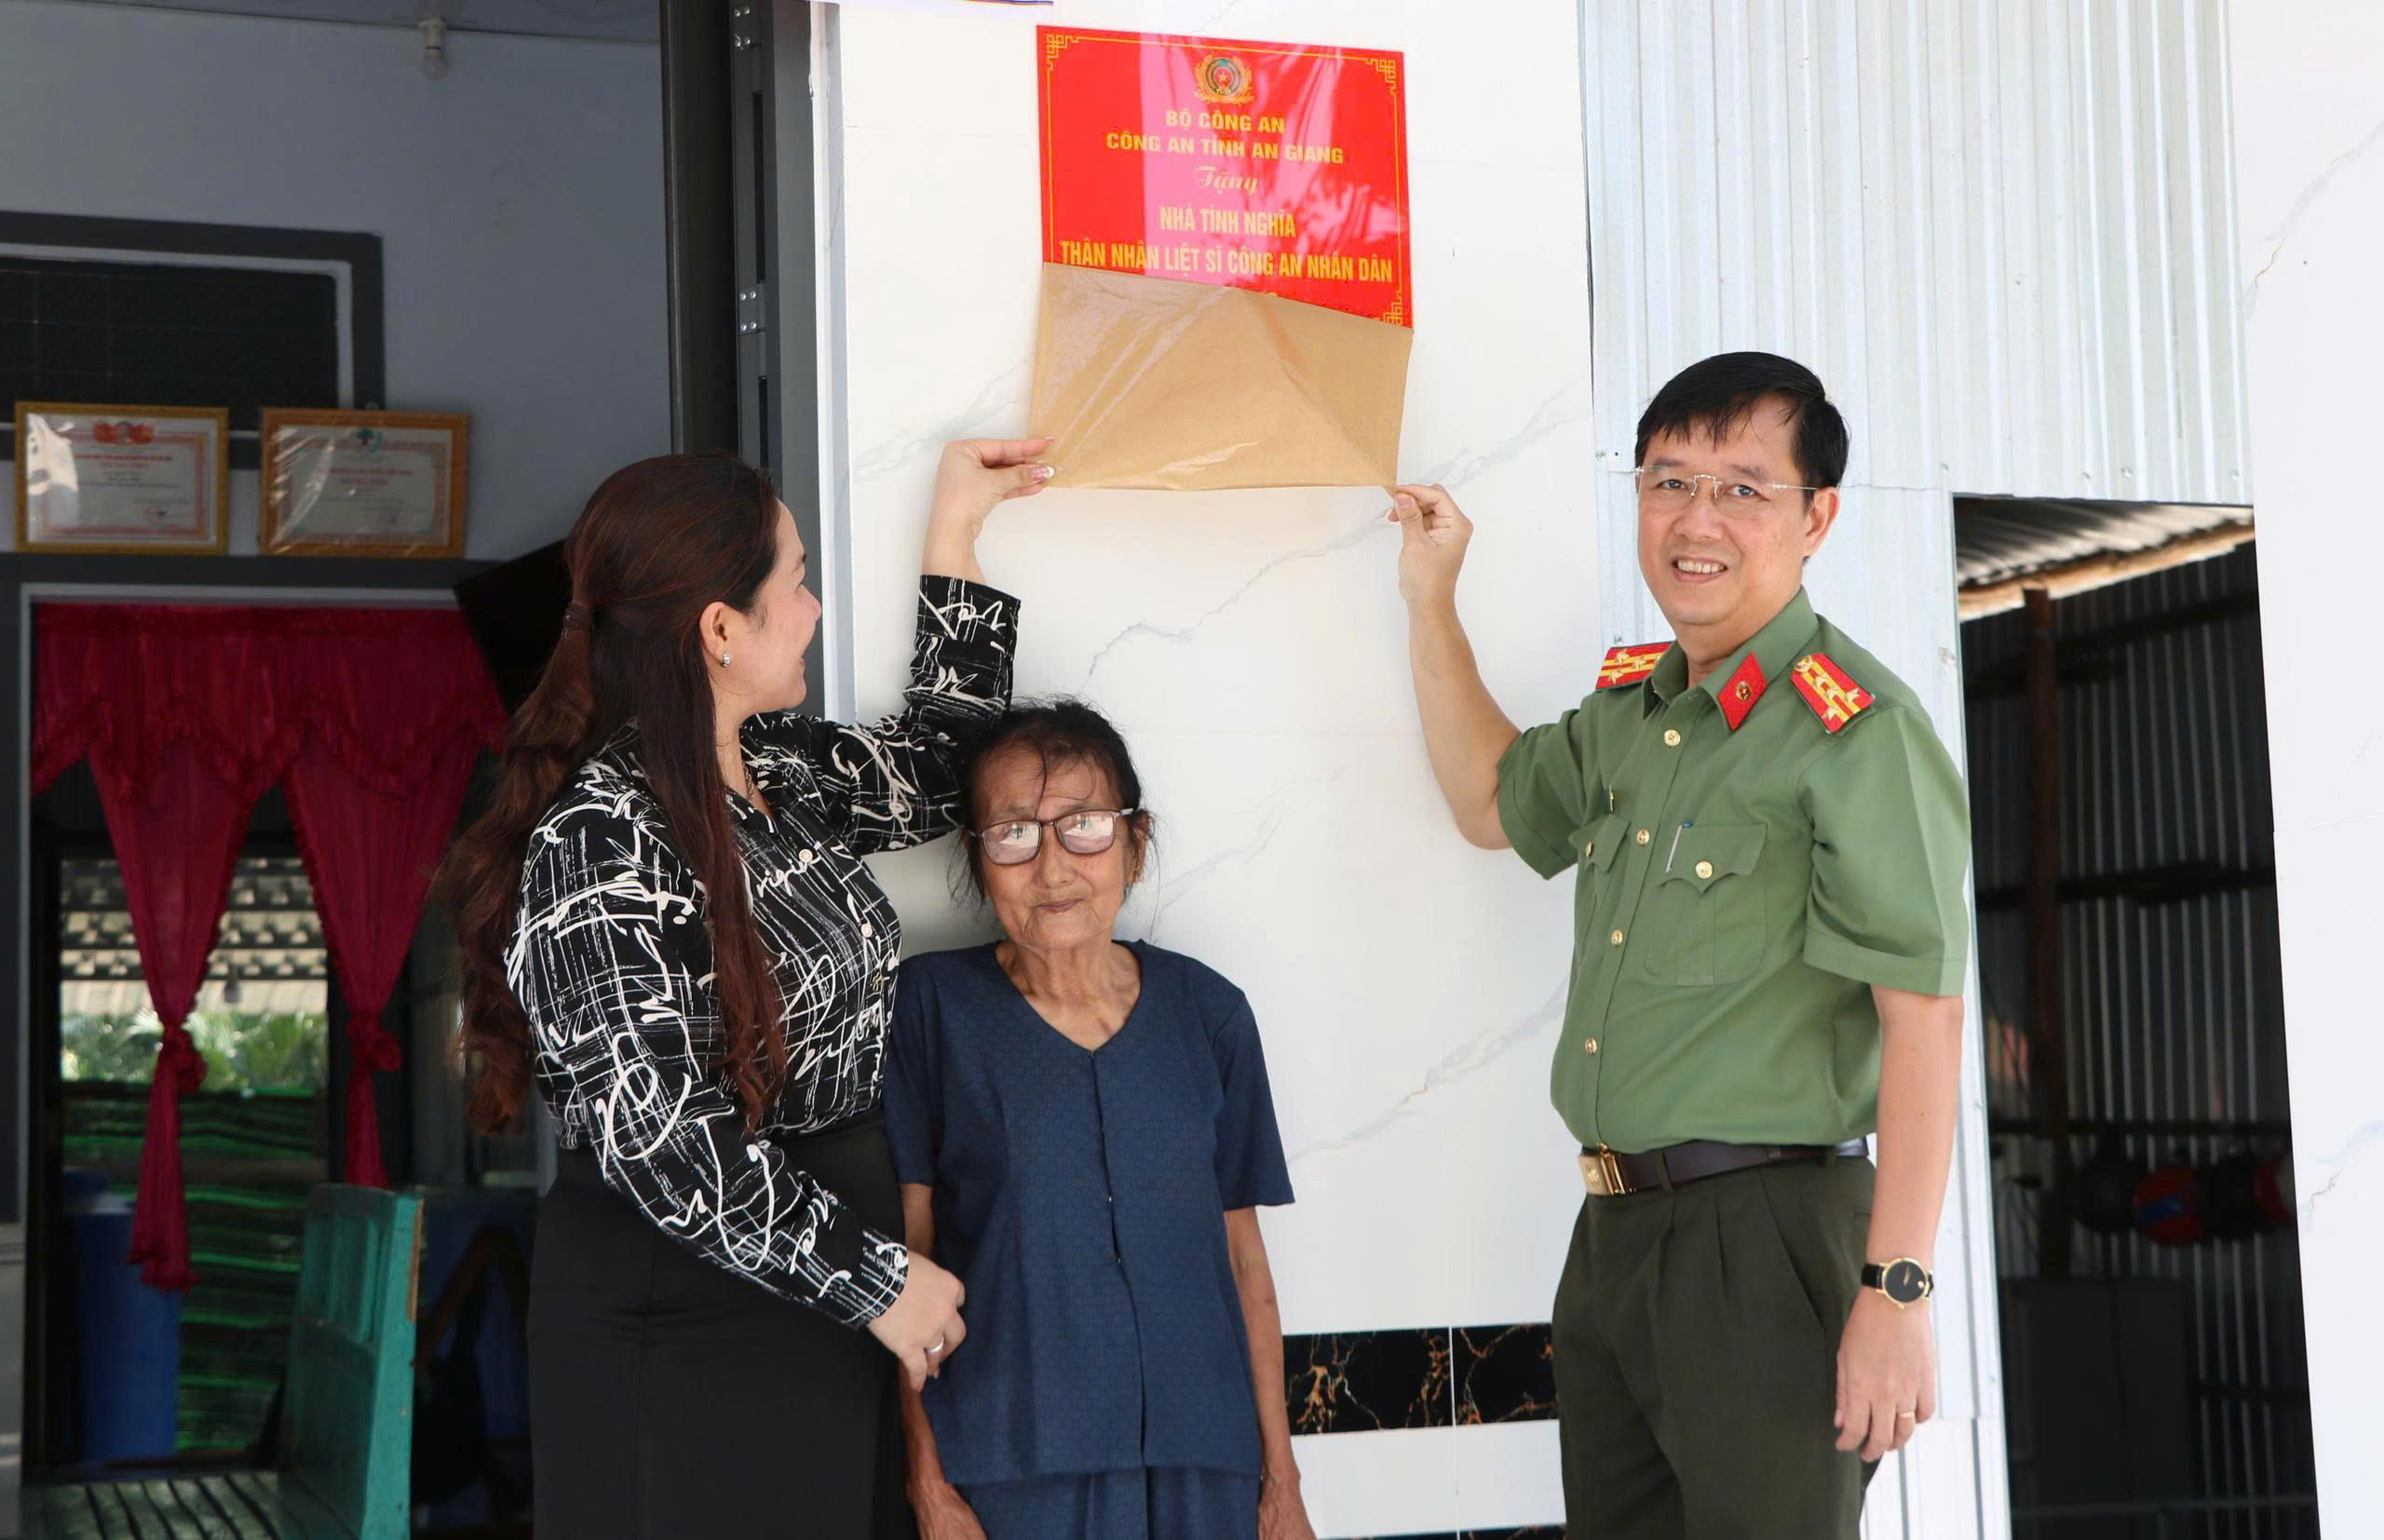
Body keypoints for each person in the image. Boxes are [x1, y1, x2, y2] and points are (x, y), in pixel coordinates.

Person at [1390, 352, 1971, 1536]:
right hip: (1613, 1234)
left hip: (1760, 1237)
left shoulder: (1853, 734)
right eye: (1668, 482)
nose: (1696, 520)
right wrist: (1430, 599)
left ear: (1816, 518)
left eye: (1743, 489)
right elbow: (1489, 803)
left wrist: (1896, 1290)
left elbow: (1922, 1016)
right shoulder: (1633, 713)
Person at [440, 439, 1053, 1537]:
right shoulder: (601, 837)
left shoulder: (776, 768)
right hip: (685, 1308)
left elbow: (942, 770)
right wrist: (874, 1280)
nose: (814, 610)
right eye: (798, 580)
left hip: (819, 1287)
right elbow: (662, 1139)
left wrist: (959, 524)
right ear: (721, 629)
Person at [882, 701, 1314, 1540]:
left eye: (1083, 826)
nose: (1052, 869)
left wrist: (1281, 1483)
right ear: (977, 859)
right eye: (1014, 834)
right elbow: (909, 1256)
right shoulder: (931, 1012)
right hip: (1008, 1467)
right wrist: (929, 1485)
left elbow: (1244, 1262)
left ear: (1135, 843)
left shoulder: (1210, 1015)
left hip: (1205, 1463)